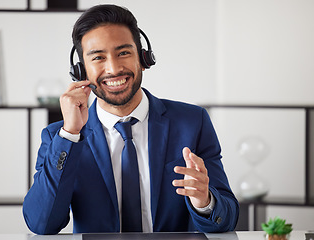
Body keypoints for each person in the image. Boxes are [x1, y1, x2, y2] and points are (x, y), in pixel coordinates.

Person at [23, 4, 239, 235]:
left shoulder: (192, 122)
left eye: (123, 53)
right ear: (81, 71)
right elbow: (41, 224)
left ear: (144, 58)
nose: (114, 68)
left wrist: (205, 201)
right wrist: (70, 134)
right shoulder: (60, 137)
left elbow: (226, 219)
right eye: (98, 57)